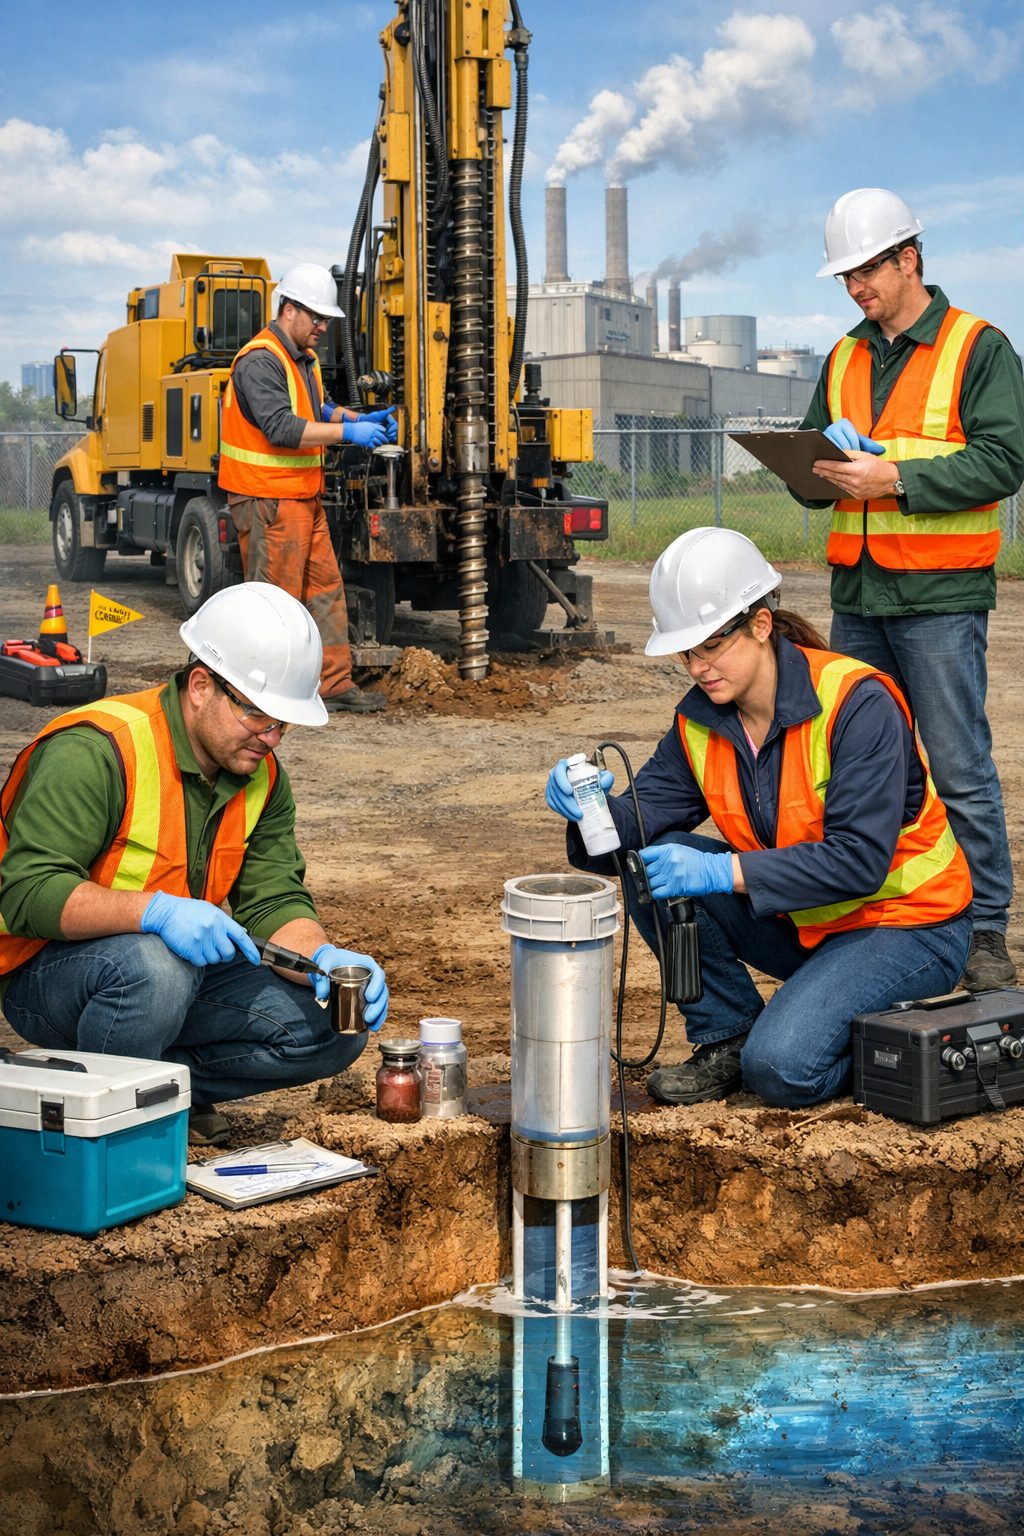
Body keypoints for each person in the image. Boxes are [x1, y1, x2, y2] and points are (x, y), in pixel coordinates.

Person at [545, 527, 972, 1109]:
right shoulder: (701, 722)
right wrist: (588, 808)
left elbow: (860, 863)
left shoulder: (856, 703)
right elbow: (634, 828)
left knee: (781, 1069)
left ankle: (873, 1046)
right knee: (649, 862)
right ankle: (727, 1035)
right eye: (686, 652)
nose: (697, 667)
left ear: (761, 626)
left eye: (711, 646)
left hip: (907, 925)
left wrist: (721, 873)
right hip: (809, 926)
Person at [0, 583, 389, 1147]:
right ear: (202, 686)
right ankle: (113, 1126)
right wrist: (155, 913)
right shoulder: (98, 749)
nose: (272, 738)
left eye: (283, 723)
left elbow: (274, 900)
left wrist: (322, 960)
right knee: (155, 966)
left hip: (164, 975)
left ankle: (165, 1092)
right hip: (46, 977)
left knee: (335, 1027)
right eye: (258, 714)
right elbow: (27, 894)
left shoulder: (262, 776)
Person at [797, 187, 1024, 990]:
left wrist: (894, 476)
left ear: (909, 259)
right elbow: (814, 466)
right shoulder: (845, 355)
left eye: (867, 272)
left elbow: (1004, 460)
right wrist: (814, 469)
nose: (857, 289)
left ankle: (986, 930)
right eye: (846, 278)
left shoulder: (978, 347)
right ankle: (887, 911)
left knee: (959, 764)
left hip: (939, 597)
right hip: (858, 595)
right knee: (864, 763)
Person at [219, 261, 398, 715]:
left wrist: (360, 419)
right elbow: (281, 426)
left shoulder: (303, 358)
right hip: (267, 502)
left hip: (301, 497)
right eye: (316, 317)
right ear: (288, 309)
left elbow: (317, 407)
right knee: (276, 605)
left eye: (325, 319)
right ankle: (263, 695)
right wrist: (347, 436)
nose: (322, 327)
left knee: (325, 590)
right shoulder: (260, 360)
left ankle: (333, 685)